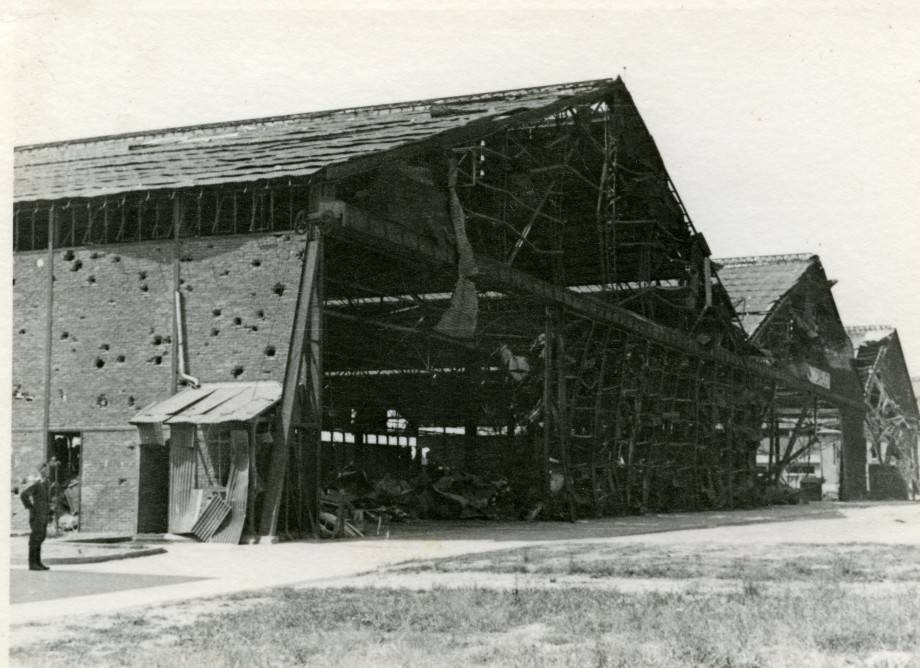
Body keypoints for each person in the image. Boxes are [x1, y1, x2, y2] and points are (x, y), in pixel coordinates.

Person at [20, 462, 51, 571]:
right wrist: (30, 507)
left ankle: (38, 562)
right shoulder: (37, 485)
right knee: (35, 539)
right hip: (37, 516)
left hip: (43, 516)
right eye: (45, 470)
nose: (47, 472)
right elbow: (23, 495)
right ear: (41, 472)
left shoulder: (45, 485)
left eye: (47, 470)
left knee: (41, 538)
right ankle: (32, 564)